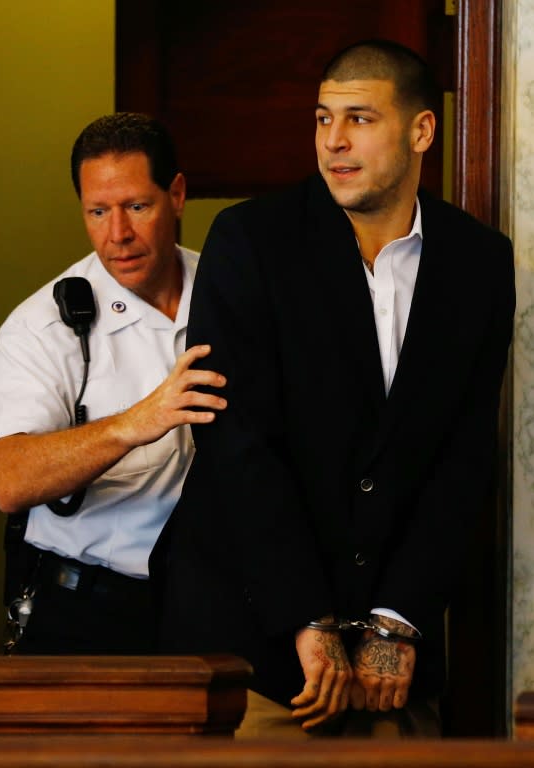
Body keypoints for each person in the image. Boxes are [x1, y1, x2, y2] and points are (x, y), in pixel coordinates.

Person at [152, 39, 515, 738]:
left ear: (420, 131)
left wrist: (397, 622)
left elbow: (462, 456)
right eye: (321, 119)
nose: (333, 143)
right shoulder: (249, 239)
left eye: (359, 118)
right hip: (249, 649)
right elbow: (236, 441)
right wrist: (304, 618)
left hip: (392, 662)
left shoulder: (478, 261)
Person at [0, 112, 227, 654]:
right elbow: (10, 481)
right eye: (97, 211)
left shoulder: (233, 292)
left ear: (176, 195)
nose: (118, 235)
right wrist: (136, 423)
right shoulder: (38, 325)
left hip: (224, 605)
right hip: (90, 611)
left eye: (137, 206)